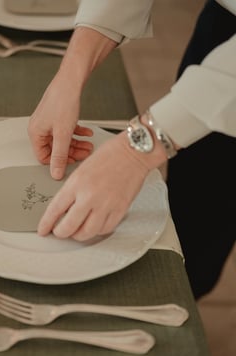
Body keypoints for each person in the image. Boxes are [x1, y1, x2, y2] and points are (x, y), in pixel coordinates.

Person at [28, 0, 236, 299]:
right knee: (190, 207)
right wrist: (70, 74)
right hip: (222, 23)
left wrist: (133, 152)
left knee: (201, 248)